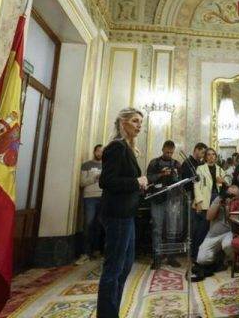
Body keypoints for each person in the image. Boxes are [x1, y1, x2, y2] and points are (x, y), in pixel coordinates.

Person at [96, 108, 148, 318]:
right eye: (135, 121)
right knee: (114, 269)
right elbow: (106, 181)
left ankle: (112, 312)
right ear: (122, 122)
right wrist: (136, 181)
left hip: (127, 214)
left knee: (124, 267)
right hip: (117, 214)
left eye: (140, 123)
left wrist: (141, 185)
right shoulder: (116, 147)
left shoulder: (127, 148)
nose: (139, 126)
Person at [145, 140, 183, 270]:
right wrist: (161, 174)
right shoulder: (154, 162)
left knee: (172, 229)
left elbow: (180, 181)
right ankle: (157, 258)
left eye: (171, 152)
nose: (169, 154)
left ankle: (171, 257)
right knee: (157, 229)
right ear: (162, 149)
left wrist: (175, 175)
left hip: (172, 199)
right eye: (167, 152)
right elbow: (148, 178)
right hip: (157, 199)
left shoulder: (176, 163)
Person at [192, 185, 239, 282]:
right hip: (213, 235)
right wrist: (219, 201)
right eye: (229, 195)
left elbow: (231, 220)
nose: (231, 197)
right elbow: (209, 217)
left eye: (234, 196)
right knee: (202, 259)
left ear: (238, 196)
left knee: (227, 245)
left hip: (229, 233)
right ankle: (219, 258)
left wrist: (229, 207)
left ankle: (232, 261)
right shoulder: (218, 199)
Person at [192, 148, 226, 269]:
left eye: (213, 155)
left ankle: (213, 258)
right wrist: (199, 201)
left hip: (218, 200)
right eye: (209, 155)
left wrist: (223, 181)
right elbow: (196, 185)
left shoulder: (220, 169)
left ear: (216, 157)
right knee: (202, 230)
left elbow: (228, 182)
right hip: (205, 201)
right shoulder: (200, 169)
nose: (211, 157)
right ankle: (196, 257)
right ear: (205, 157)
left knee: (215, 230)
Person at [78, 144, 103, 264]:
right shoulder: (86, 165)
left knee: (99, 225)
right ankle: (85, 252)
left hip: (103, 198)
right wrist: (94, 178)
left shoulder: (107, 166)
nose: (100, 153)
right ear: (94, 152)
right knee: (88, 224)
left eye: (102, 152)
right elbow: (82, 183)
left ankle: (96, 250)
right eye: (98, 151)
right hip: (90, 197)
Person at [183, 142, 207, 264]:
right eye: (202, 152)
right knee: (192, 227)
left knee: (200, 228)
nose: (203, 155)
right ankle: (191, 254)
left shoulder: (201, 164)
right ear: (196, 150)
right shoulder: (187, 163)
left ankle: (197, 253)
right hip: (190, 198)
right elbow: (185, 183)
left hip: (201, 198)